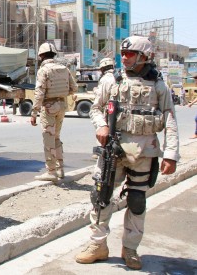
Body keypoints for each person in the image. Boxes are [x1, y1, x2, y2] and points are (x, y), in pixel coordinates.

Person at [75, 36, 179, 270]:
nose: (124, 57)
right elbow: (96, 108)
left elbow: (170, 119)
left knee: (137, 200)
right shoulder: (111, 80)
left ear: (145, 57)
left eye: (130, 54)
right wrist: (101, 125)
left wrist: (171, 154)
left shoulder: (159, 85)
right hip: (114, 150)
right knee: (101, 198)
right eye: (123, 53)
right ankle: (97, 245)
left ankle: (130, 248)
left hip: (145, 153)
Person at [29, 42, 78, 181]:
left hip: (49, 107)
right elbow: (74, 88)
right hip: (62, 105)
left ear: (41, 56)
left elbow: (39, 93)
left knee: (48, 139)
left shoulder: (43, 70)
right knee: (56, 137)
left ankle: (51, 171)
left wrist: (34, 113)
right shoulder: (64, 68)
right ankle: (60, 169)